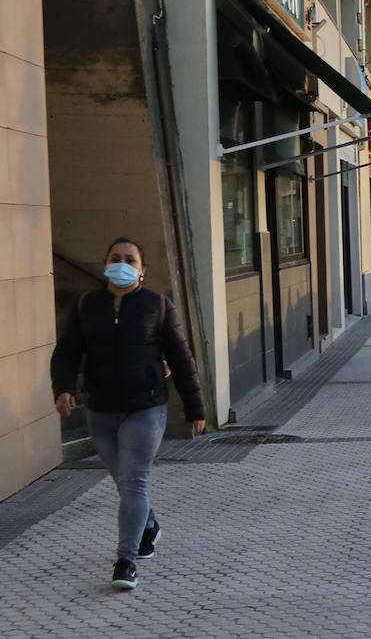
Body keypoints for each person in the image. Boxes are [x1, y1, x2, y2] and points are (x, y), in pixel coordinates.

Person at [50, 237, 206, 591]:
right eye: (115, 258)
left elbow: (181, 358)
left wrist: (196, 408)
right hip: (101, 409)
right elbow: (66, 352)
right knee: (124, 482)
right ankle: (148, 525)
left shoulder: (157, 305)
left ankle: (125, 560)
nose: (122, 263)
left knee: (134, 481)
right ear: (105, 263)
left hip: (146, 408)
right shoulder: (86, 305)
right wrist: (63, 388)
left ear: (142, 269)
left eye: (130, 259)